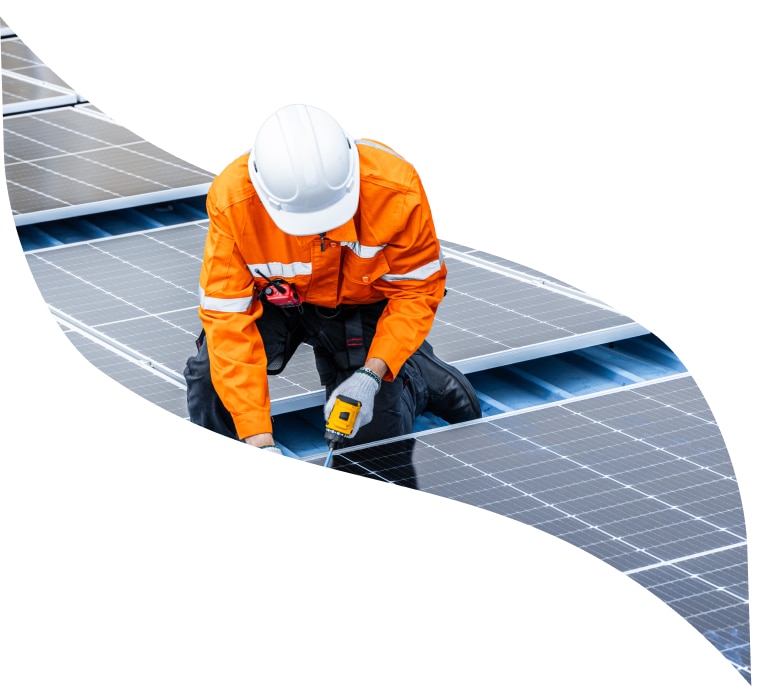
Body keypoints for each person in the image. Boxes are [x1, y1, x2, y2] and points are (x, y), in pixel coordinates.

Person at [184, 104, 480, 456]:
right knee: (210, 380)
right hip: (280, 302)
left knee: (369, 446)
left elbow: (417, 290)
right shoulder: (234, 199)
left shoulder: (396, 190)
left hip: (362, 303)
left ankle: (415, 376)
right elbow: (227, 317)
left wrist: (373, 372)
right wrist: (258, 441)